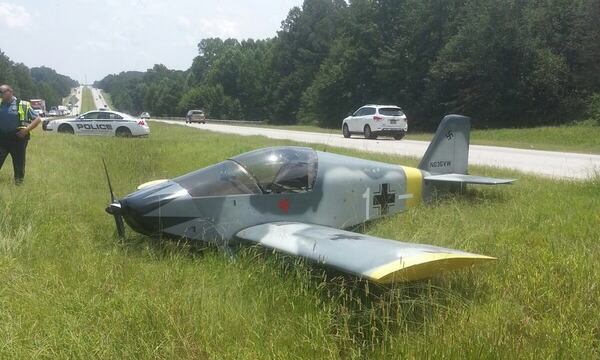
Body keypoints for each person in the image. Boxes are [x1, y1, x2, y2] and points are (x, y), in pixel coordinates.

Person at [0, 84, 41, 185]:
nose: (1, 95)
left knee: (19, 164)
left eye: (2, 92)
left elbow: (37, 119)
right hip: (2, 138)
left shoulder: (22, 104)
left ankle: (18, 184)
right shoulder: (1, 104)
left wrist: (26, 130)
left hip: (18, 138)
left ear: (10, 92)